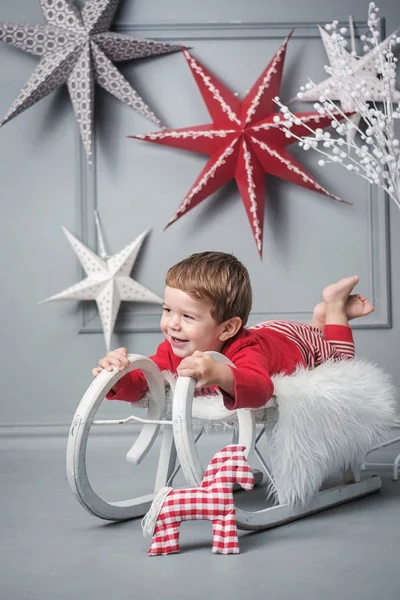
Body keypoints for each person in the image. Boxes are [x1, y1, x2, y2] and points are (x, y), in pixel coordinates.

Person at [92, 252, 374, 410]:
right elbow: (145, 383)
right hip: (268, 334)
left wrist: (220, 373)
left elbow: (261, 389)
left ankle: (334, 308)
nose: (173, 324)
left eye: (187, 316)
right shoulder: (174, 347)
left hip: (296, 342)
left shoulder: (245, 351)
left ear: (227, 328)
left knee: (342, 363)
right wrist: (119, 375)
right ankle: (320, 316)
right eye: (168, 310)